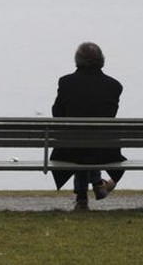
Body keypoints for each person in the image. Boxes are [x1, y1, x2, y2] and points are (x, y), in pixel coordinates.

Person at [50, 41, 126, 211]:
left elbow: (57, 113)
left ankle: (82, 197)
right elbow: (110, 115)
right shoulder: (114, 86)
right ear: (101, 61)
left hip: (71, 149)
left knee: (80, 142)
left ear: (77, 60)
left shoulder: (66, 82)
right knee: (90, 142)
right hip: (104, 150)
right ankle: (99, 183)